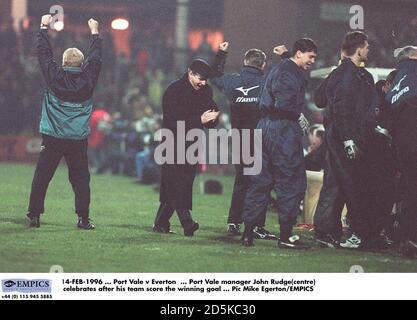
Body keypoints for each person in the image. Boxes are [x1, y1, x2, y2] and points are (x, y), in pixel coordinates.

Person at [26, 14, 102, 229]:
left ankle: (34, 215)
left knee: (42, 177)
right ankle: (83, 219)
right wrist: (95, 32)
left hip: (53, 138)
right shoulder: (88, 80)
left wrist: (43, 27)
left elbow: (43, 54)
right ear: (82, 65)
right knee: (80, 181)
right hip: (77, 140)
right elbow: (95, 59)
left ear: (63, 62)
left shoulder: (54, 77)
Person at [241, 38, 317, 249]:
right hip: (282, 129)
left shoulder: (276, 69)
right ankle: (285, 237)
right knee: (290, 182)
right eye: (310, 56)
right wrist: (297, 114)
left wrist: (285, 56)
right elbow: (283, 102)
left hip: (262, 128)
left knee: (259, 182)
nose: (312, 61)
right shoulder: (290, 72)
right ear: (299, 53)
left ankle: (248, 233)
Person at [210, 41, 285, 240]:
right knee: (260, 183)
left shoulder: (233, 81)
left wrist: (221, 54)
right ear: (263, 65)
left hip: (239, 138)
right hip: (261, 138)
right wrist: (285, 57)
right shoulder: (266, 81)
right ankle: (256, 226)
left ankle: (234, 221)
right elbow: (287, 78)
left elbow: (214, 76)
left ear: (245, 62)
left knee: (241, 180)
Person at [153, 59, 220, 236]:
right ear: (190, 73)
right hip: (172, 142)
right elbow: (173, 121)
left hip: (192, 143)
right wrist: (199, 120)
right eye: (201, 78)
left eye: (206, 80)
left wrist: (214, 118)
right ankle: (186, 222)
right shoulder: (173, 90)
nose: (203, 83)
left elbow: (209, 118)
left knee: (178, 184)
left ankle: (160, 223)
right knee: (176, 183)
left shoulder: (206, 91)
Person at [325, 31, 376, 249]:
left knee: (346, 185)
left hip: (351, 138)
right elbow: (341, 109)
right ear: (358, 49)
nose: (368, 49)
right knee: (353, 186)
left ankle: (333, 231)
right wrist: (348, 140)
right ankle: (358, 233)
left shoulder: (354, 74)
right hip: (347, 140)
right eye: (366, 46)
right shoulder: (348, 74)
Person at [385, 46, 417, 257]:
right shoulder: (414, 74)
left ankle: (408, 239)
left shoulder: (396, 85)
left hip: (402, 147)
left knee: (409, 189)